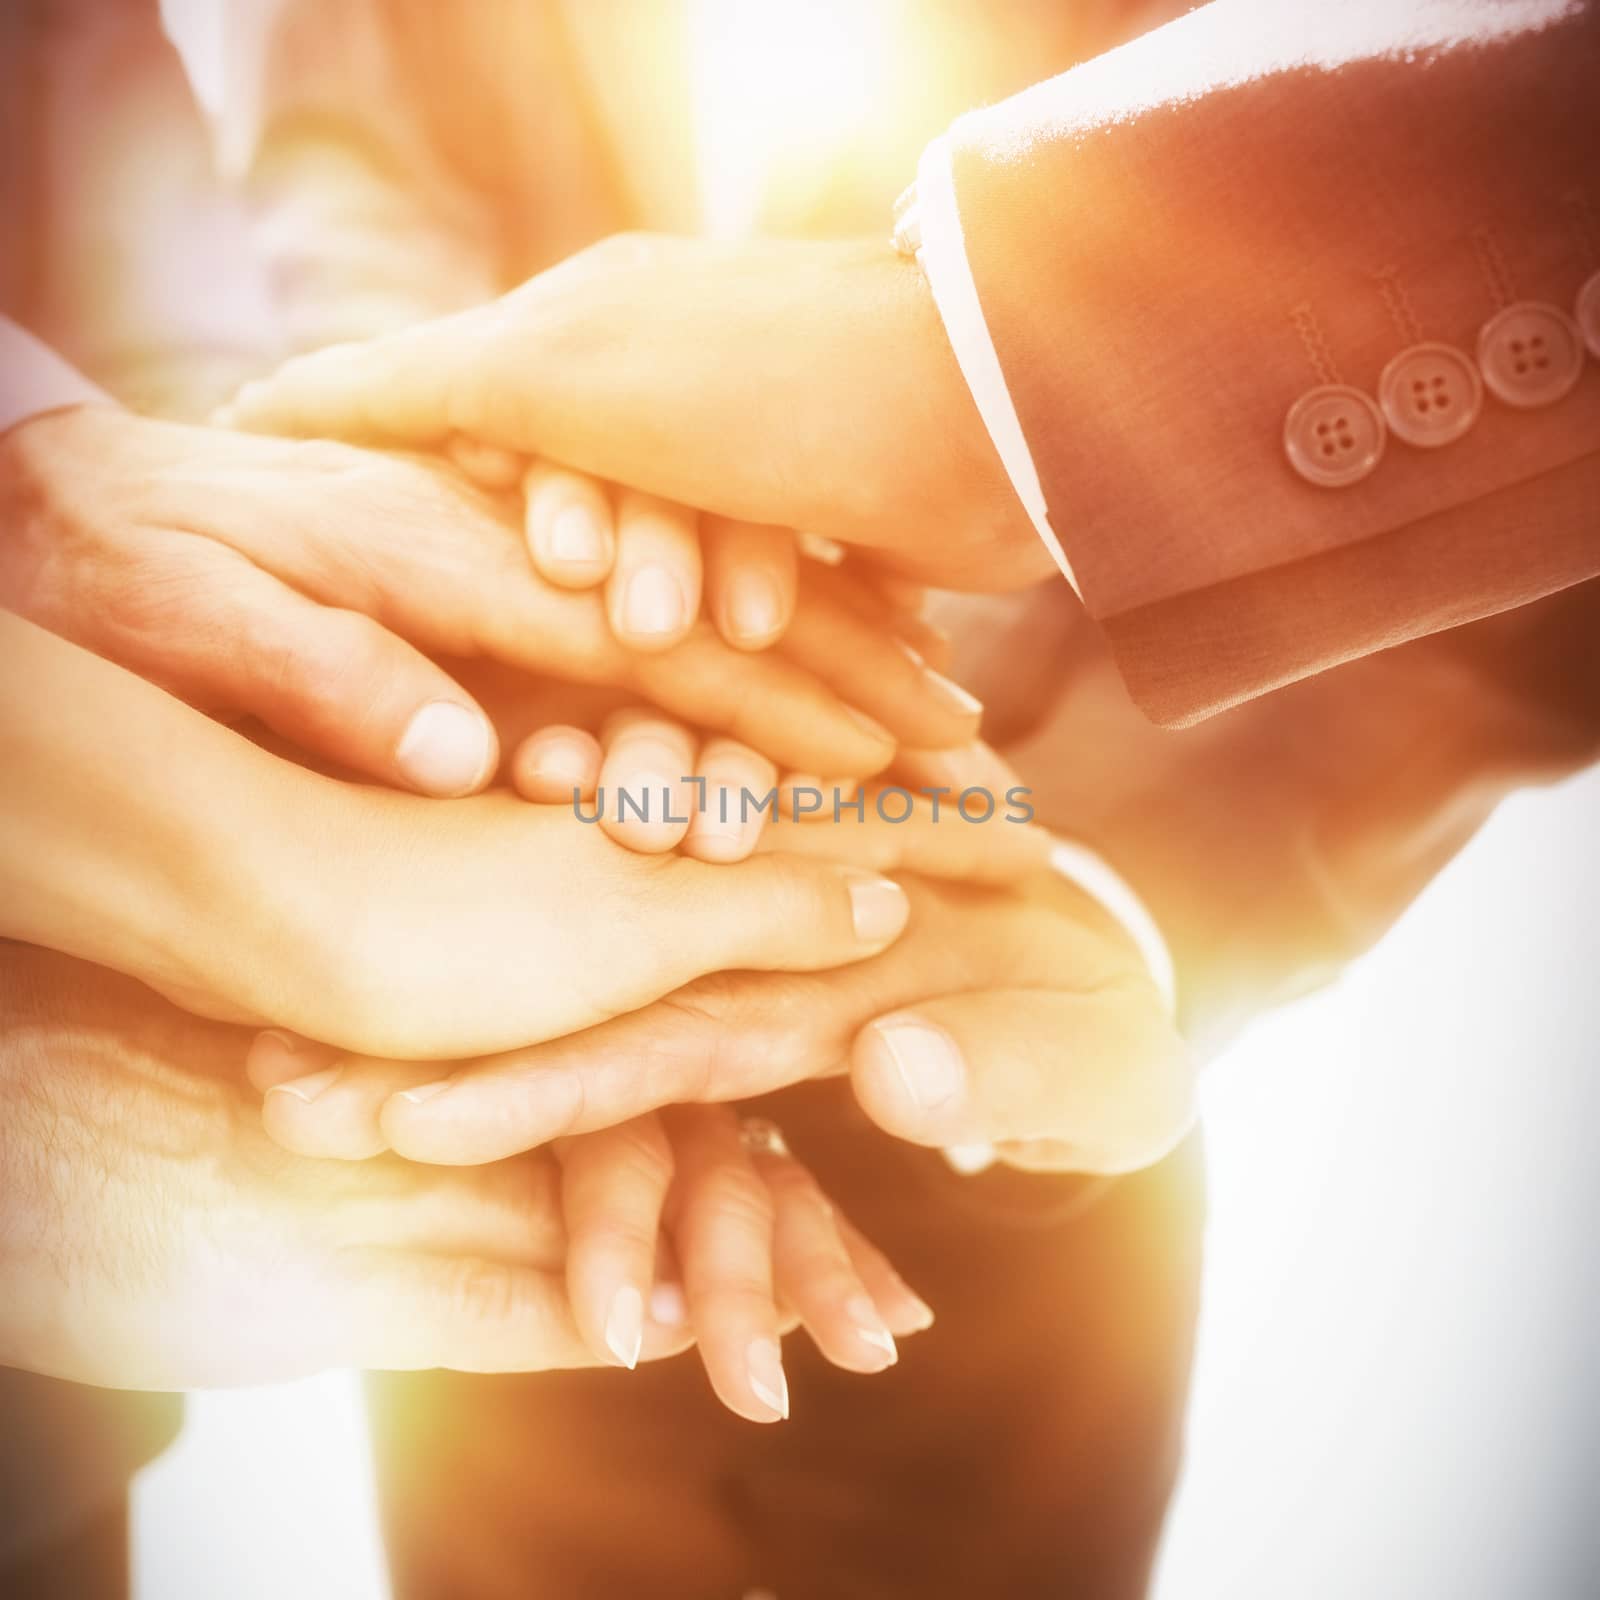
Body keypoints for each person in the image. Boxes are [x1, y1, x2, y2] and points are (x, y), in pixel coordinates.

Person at [226, 0, 1600, 727]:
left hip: (1042, 855)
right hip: (505, 728)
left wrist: (1099, 914)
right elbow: (355, 179)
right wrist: (473, 525)